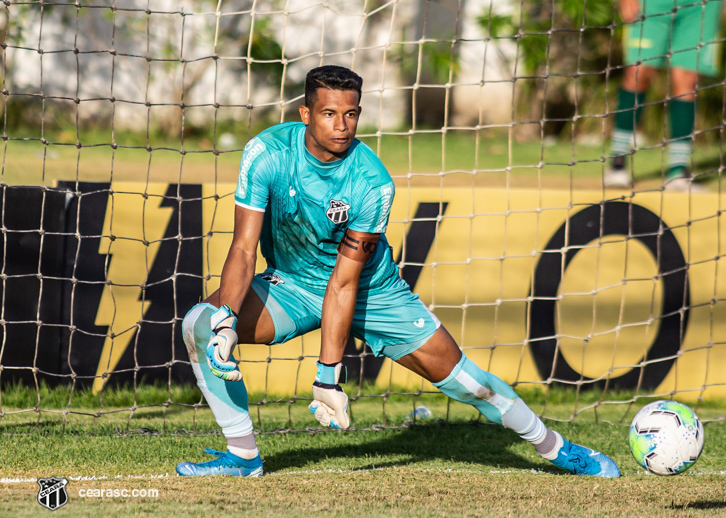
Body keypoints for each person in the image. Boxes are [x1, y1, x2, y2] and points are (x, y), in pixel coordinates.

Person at [176, 65, 621, 478]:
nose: (341, 125)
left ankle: (554, 446)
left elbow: (345, 281)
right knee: (200, 323)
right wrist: (227, 320)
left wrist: (328, 374)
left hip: (372, 292)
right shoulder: (266, 153)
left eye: (350, 114)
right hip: (292, 284)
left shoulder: (372, 182)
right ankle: (243, 456)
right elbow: (243, 248)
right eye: (329, 113)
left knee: (471, 385)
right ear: (305, 113)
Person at [604, 0, 726, 190]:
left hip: (701, 6)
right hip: (652, 4)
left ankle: (678, 172)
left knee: (688, 79)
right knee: (639, 71)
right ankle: (617, 163)